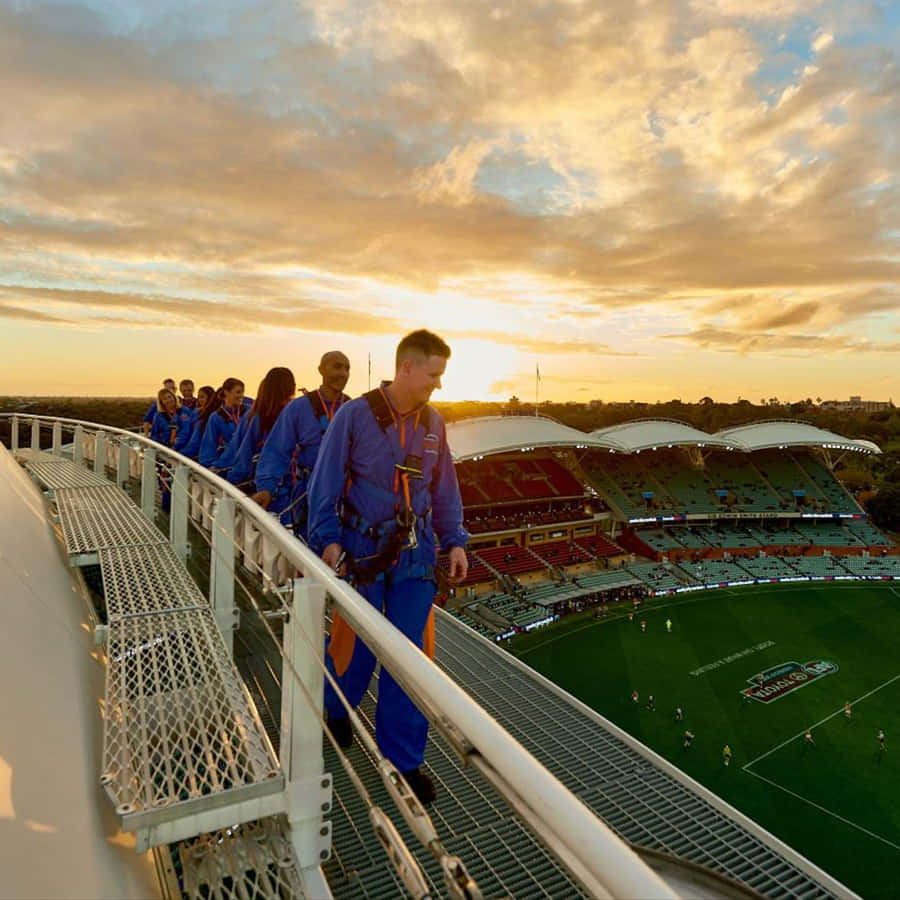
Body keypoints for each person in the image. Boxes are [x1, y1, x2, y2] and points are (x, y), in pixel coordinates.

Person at [307, 330, 468, 804]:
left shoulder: (434, 425)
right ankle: (335, 711)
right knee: (352, 643)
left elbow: (445, 492)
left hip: (415, 556)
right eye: (433, 375)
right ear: (406, 369)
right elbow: (326, 485)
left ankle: (404, 760)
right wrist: (328, 542)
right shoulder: (354, 418)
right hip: (361, 550)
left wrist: (455, 542)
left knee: (410, 657)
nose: (437, 385)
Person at [253, 352, 351, 534]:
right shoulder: (298, 408)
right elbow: (277, 450)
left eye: (347, 368)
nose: (343, 373)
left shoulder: (353, 410)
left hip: (343, 496)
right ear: (321, 370)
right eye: (337, 366)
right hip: (307, 494)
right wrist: (266, 488)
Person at [226, 367, 296, 489]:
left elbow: (242, 452)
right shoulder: (259, 417)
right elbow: (244, 451)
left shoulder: (292, 414)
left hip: (282, 486)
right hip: (272, 487)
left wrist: (231, 482)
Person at [198, 378, 246, 469]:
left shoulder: (249, 412)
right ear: (226, 392)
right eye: (238, 392)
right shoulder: (216, 417)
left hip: (251, 461)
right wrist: (207, 467)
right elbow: (209, 443)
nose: (241, 396)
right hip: (230, 463)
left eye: (242, 392)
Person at [182, 386, 214, 459]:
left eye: (203, 397)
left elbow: (196, 439)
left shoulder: (213, 416)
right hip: (190, 449)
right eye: (199, 397)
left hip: (202, 454)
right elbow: (188, 432)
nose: (200, 400)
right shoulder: (196, 412)